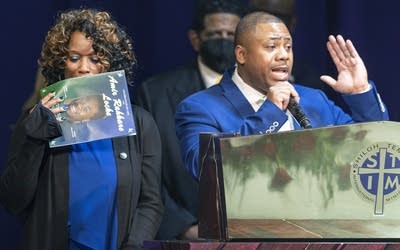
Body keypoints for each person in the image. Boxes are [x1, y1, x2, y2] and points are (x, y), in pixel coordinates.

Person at [0, 8, 163, 250]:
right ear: (61, 63)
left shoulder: (140, 123)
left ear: (110, 64)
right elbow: (13, 201)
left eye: (95, 59)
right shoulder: (35, 120)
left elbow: (150, 203)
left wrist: (134, 246)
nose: (83, 68)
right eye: (74, 57)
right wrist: (36, 137)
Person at [175, 11, 389, 180]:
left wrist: (360, 92)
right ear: (241, 54)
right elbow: (205, 171)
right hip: (250, 232)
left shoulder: (314, 100)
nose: (284, 55)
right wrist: (270, 112)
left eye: (288, 46)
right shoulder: (200, 107)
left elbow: (374, 150)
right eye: (271, 47)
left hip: (320, 231)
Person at [133, 0, 245, 240]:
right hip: (182, 237)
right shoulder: (155, 93)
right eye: (215, 34)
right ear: (196, 39)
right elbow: (144, 173)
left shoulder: (265, 91)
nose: (224, 40)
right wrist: (182, 227)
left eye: (231, 35)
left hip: (252, 235)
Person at [247, 0, 323, 90]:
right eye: (262, 18)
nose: (270, 26)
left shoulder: (307, 81)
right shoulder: (232, 67)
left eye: (278, 19)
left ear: (292, 24)